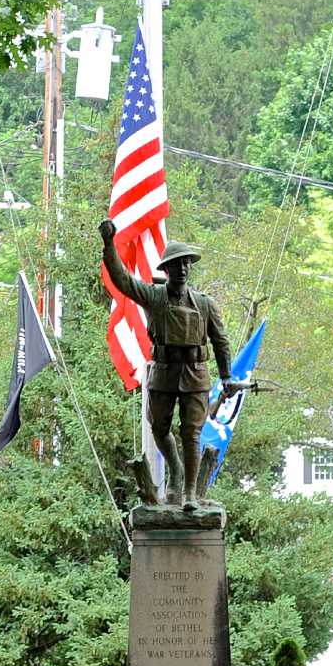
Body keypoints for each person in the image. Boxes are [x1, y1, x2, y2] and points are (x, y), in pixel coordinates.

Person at [99, 217, 232, 507]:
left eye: (186, 264)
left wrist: (226, 376)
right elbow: (123, 280)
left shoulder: (205, 304)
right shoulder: (155, 296)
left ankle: (189, 494)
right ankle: (176, 470)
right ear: (166, 269)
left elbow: (220, 341)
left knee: (191, 434)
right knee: (159, 428)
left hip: (195, 374)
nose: (182, 269)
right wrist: (109, 244)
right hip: (163, 372)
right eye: (177, 264)